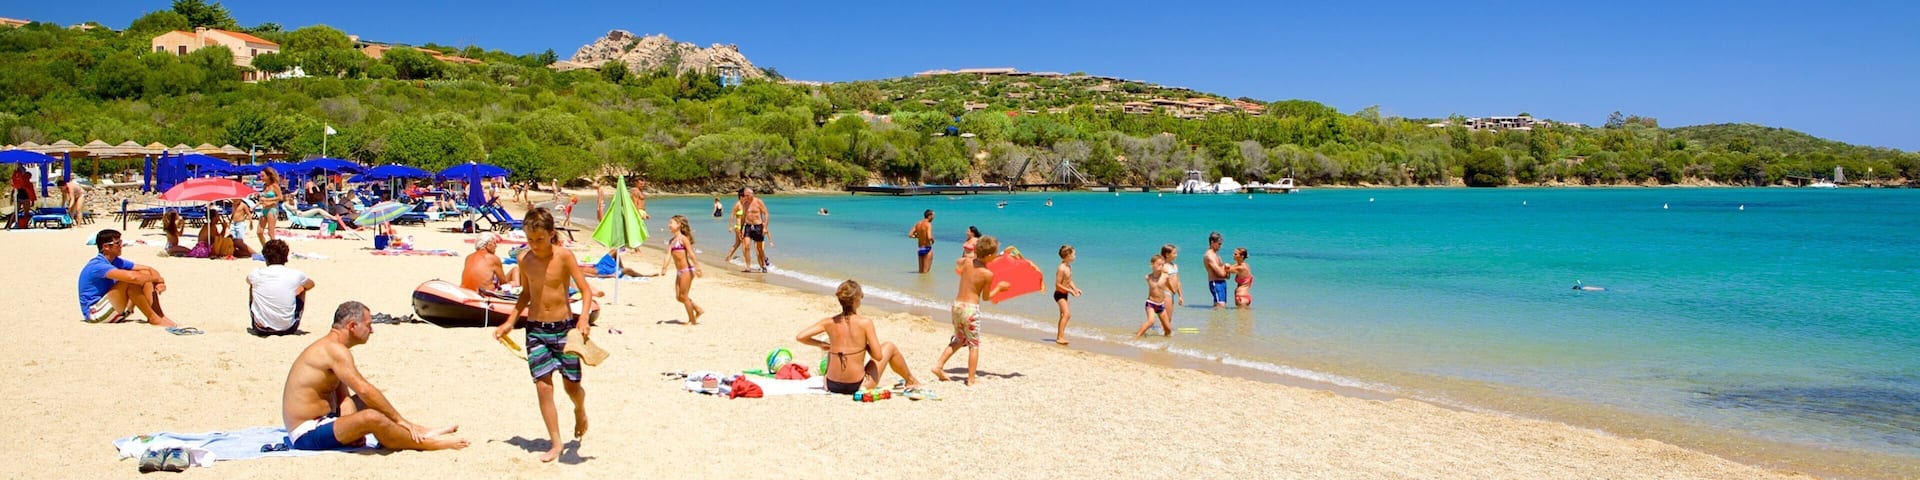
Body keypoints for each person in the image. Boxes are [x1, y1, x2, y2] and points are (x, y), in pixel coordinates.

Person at [282, 301, 468, 452]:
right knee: (372, 416)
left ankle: (421, 431)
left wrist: (352, 429)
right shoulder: (334, 350)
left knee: (374, 404)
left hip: (325, 420)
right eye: (369, 325)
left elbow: (343, 397)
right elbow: (363, 389)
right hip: (306, 433)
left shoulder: (333, 347)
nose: (372, 331)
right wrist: (399, 419)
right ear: (352, 326)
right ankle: (428, 444)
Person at [493, 208, 597, 463]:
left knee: (572, 386)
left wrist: (583, 319)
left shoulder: (564, 257)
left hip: (564, 329)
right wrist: (510, 322)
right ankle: (556, 442)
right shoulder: (525, 260)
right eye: (530, 239)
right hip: (536, 330)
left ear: (552, 234)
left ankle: (580, 409)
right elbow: (525, 295)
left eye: (539, 239)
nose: (534, 245)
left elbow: (586, 291)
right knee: (543, 387)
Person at [795, 280, 927, 396]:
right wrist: (864, 346)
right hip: (857, 386)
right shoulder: (865, 323)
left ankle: (910, 380)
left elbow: (801, 337)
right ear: (857, 299)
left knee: (831, 351)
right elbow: (878, 356)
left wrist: (821, 344)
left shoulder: (829, 322)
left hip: (832, 385)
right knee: (889, 346)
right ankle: (910, 380)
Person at [931, 236, 1009, 386]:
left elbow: (960, 262)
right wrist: (999, 288)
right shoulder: (988, 274)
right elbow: (986, 297)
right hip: (970, 310)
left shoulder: (967, 262)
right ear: (988, 256)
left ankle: (938, 366)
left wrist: (994, 255)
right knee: (974, 345)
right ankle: (971, 379)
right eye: (995, 253)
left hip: (957, 306)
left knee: (959, 340)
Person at [77, 229, 182, 329]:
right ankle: (153, 317)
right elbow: (133, 278)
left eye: (121, 242)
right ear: (105, 247)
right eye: (117, 243)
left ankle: (159, 315)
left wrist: (160, 282)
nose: (121, 246)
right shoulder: (98, 265)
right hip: (95, 313)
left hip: (114, 309)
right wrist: (156, 279)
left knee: (143, 274)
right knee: (131, 281)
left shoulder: (115, 261)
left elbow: (148, 269)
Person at [249, 240, 315, 336]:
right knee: (303, 287)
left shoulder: (256, 273)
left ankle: (259, 319)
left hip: (261, 328)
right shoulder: (295, 274)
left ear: (265, 257)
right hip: (287, 328)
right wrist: (298, 288)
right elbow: (311, 284)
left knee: (253, 285)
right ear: (286, 258)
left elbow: (248, 280)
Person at [658, 215, 704, 325]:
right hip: (679, 272)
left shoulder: (683, 239)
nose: (669, 225)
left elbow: (691, 254)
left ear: (679, 225)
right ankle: (698, 309)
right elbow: (668, 255)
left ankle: (692, 320)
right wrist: (664, 267)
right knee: (679, 297)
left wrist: (697, 268)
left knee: (684, 296)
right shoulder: (672, 241)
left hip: (687, 270)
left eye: (671, 223)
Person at [1135, 254, 1174, 337]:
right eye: (1159, 264)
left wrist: (1173, 291)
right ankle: (1136, 337)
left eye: (1162, 265)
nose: (1161, 266)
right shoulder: (1148, 277)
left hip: (1160, 305)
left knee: (1168, 329)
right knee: (1151, 321)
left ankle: (1164, 343)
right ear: (1152, 265)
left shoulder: (1165, 276)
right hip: (1150, 303)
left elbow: (1169, 285)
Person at [1053, 245, 1083, 345]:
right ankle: (1060, 337)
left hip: (1065, 294)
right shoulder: (1061, 268)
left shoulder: (1068, 267)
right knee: (1067, 314)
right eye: (1074, 254)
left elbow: (1069, 281)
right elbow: (1057, 285)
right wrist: (1070, 291)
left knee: (1063, 315)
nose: (1075, 256)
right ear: (1068, 255)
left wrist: (1075, 289)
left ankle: (1060, 336)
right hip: (1059, 294)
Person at [739, 187, 771, 272]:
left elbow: (766, 214)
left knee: (759, 248)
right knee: (746, 246)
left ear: (752, 194)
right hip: (748, 226)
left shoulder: (758, 202)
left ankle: (764, 265)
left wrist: (765, 227)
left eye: (748, 195)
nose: (746, 197)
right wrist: (741, 229)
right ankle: (748, 267)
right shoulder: (745, 203)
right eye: (745, 196)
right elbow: (743, 217)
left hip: (758, 226)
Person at [257, 167, 285, 247]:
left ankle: (275, 251)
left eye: (263, 176)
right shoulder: (265, 186)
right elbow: (263, 198)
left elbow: (280, 197)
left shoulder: (274, 186)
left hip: (272, 209)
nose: (261, 178)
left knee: (271, 233)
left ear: (268, 176)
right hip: (264, 209)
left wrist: (268, 200)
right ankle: (265, 248)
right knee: (259, 232)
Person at [1202, 232, 1230, 309]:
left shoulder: (1216, 255)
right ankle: (1217, 320)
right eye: (1219, 244)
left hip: (1222, 283)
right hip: (1215, 282)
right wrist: (1227, 270)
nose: (1220, 246)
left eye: (1221, 244)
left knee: (1219, 305)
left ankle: (1216, 321)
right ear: (1212, 242)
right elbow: (1220, 273)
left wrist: (1227, 271)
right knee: (1221, 305)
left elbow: (1226, 276)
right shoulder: (1209, 256)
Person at [723, 190, 747, 264]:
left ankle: (728, 258)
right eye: (744, 196)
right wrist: (730, 226)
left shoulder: (745, 204)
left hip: (744, 226)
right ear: (740, 197)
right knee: (743, 243)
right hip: (738, 227)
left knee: (737, 244)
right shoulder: (737, 204)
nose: (746, 198)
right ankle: (747, 262)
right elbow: (732, 215)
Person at [909, 209, 935, 274]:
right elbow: (929, 237)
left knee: (920, 272)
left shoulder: (918, 223)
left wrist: (918, 236)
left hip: (920, 248)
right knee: (926, 272)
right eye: (933, 216)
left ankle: (920, 283)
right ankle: (925, 284)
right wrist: (933, 240)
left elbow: (910, 235)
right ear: (929, 216)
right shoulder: (928, 224)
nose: (933, 218)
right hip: (927, 248)